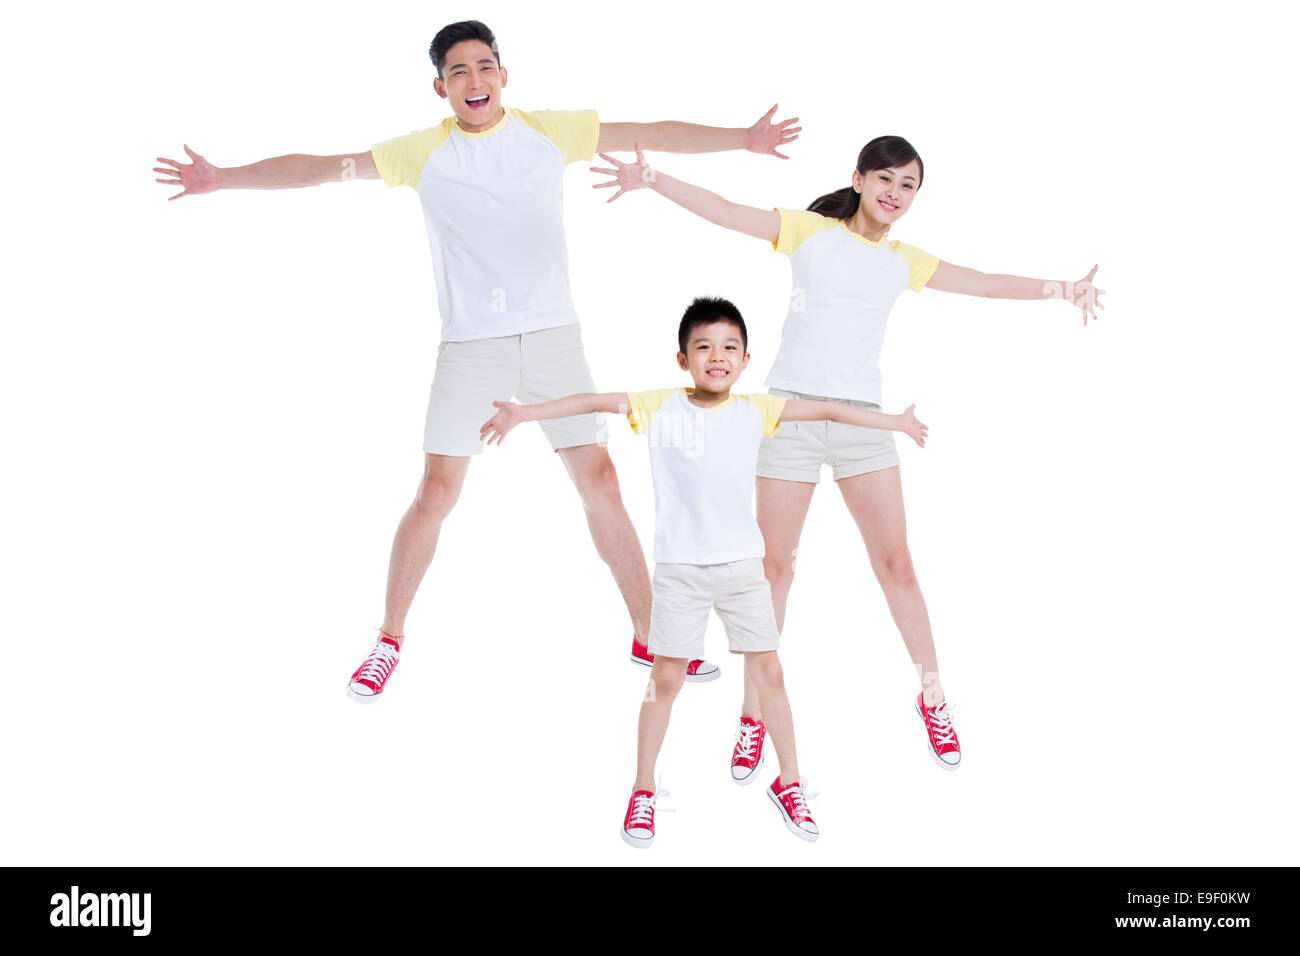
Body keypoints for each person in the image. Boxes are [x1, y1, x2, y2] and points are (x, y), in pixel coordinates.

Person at [151, 20, 803, 702]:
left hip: (553, 338)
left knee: (602, 481)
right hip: (472, 347)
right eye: (458, 72)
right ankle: (390, 638)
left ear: (504, 75)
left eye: (484, 66)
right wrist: (220, 178)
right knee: (437, 493)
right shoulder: (420, 153)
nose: (474, 80)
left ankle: (649, 633)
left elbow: (653, 128)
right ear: (441, 88)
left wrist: (743, 139)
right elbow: (318, 168)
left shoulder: (550, 132)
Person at [591, 137, 1105, 771]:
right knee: (772, 571)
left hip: (862, 421)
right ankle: (753, 716)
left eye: (909, 185)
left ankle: (934, 697)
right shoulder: (809, 233)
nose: (895, 194)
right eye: (885, 179)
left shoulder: (903, 261)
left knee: (897, 565)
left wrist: (1064, 289)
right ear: (858, 179)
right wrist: (654, 177)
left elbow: (987, 284)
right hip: (790, 419)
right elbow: (727, 210)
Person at [480, 297, 928, 846]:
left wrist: (895, 423)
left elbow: (832, 412)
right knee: (664, 680)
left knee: (772, 676)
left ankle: (789, 785)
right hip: (680, 575)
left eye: (729, 348)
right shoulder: (658, 406)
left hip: (743, 571)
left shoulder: (756, 410)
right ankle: (642, 790)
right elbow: (593, 399)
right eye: (704, 347)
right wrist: (526, 413)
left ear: (744, 360)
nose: (717, 356)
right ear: (683, 358)